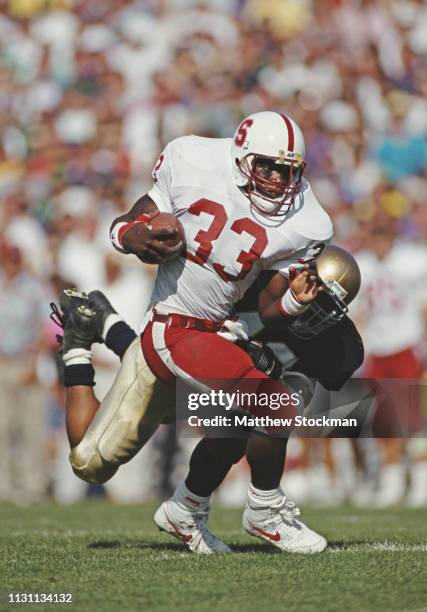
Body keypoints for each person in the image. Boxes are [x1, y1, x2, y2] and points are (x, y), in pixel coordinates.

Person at [54, 111, 335, 553]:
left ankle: (185, 509)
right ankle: (265, 510)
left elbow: (266, 306)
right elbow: (129, 221)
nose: (279, 180)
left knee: (234, 427)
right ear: (242, 156)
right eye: (268, 167)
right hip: (173, 328)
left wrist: (294, 300)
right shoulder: (192, 158)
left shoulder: (307, 220)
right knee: (89, 465)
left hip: (215, 336)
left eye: (288, 170)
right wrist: (131, 235)